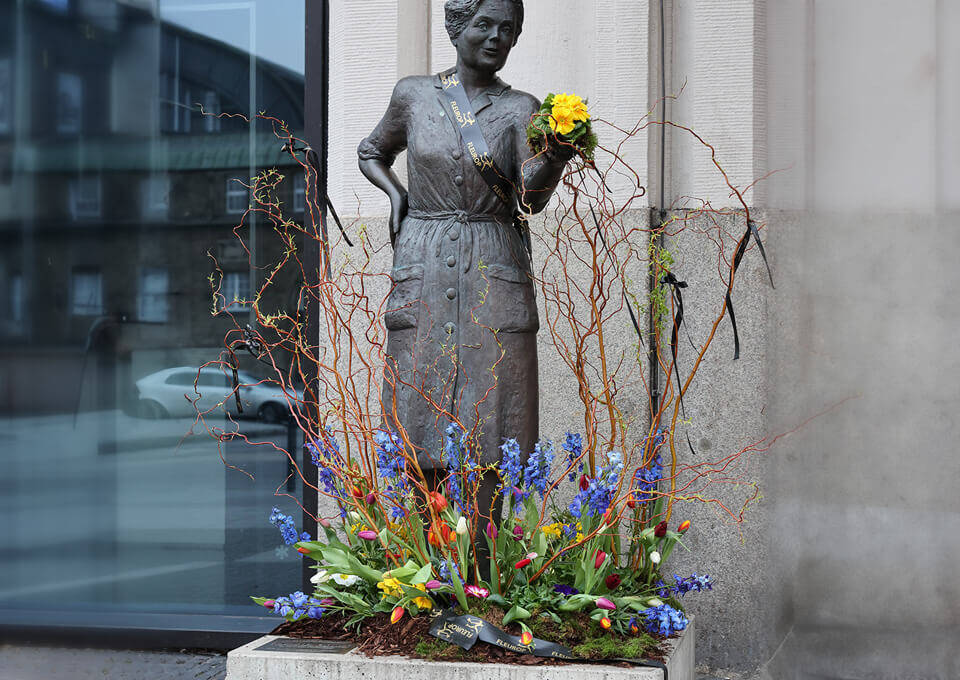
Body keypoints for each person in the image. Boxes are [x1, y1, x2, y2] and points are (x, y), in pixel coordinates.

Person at [358, 0, 571, 532]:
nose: (496, 37)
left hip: (493, 259)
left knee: (494, 413)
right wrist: (395, 197)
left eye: (508, 29)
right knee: (418, 407)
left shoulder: (523, 108)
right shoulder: (413, 95)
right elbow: (370, 151)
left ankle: (479, 561)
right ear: (457, 28)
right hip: (424, 259)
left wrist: (557, 157)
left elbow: (531, 195)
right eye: (484, 25)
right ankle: (426, 567)